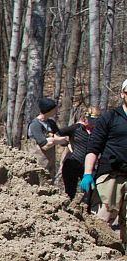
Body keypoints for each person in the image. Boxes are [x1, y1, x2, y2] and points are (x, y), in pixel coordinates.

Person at [81, 78, 127, 247]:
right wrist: (87, 173)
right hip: (110, 175)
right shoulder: (110, 118)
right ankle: (94, 254)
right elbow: (93, 148)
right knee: (101, 220)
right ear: (123, 94)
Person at [58, 106, 98, 202]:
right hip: (72, 163)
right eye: (91, 120)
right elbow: (58, 133)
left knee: (90, 193)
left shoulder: (97, 132)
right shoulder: (76, 128)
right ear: (85, 118)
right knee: (70, 192)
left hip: (88, 166)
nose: (93, 123)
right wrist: (65, 143)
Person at [25, 97, 66, 179]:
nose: (56, 111)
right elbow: (45, 145)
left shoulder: (51, 123)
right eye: (54, 109)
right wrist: (59, 140)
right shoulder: (35, 125)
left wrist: (55, 140)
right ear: (48, 110)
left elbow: (61, 140)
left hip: (50, 166)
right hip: (36, 165)